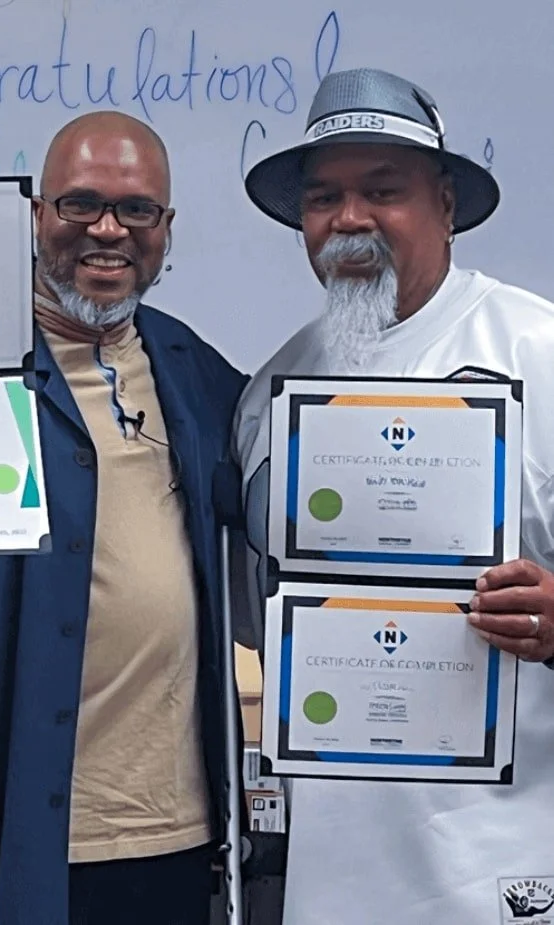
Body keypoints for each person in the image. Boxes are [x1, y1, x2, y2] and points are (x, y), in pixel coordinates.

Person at [0, 111, 247, 925]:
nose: (107, 230)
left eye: (137, 209)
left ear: (166, 229)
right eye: (81, 204)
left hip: (167, 832)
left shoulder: (193, 369)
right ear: (37, 214)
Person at [232, 67, 554, 925]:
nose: (349, 219)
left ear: (445, 205)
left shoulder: (538, 351)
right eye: (324, 195)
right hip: (327, 873)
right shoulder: (274, 392)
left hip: (503, 865)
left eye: (384, 190)